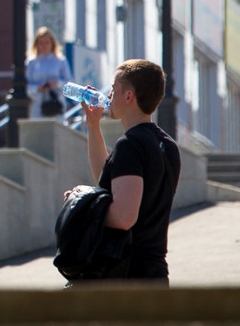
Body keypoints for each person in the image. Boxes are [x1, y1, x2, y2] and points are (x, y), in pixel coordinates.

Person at [65, 59, 181, 283]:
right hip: (155, 273)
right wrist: (92, 125)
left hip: (127, 275)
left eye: (113, 89)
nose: (108, 95)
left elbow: (124, 216)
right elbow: (108, 181)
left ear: (128, 96)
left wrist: (79, 206)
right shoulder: (167, 145)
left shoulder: (130, 144)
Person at [26, 26, 72, 118]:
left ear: (52, 43)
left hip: (56, 106)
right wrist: (37, 88)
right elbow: (25, 85)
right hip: (37, 107)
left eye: (47, 42)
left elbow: (70, 84)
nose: (44, 46)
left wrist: (57, 83)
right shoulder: (31, 62)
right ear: (37, 44)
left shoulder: (60, 61)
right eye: (41, 43)